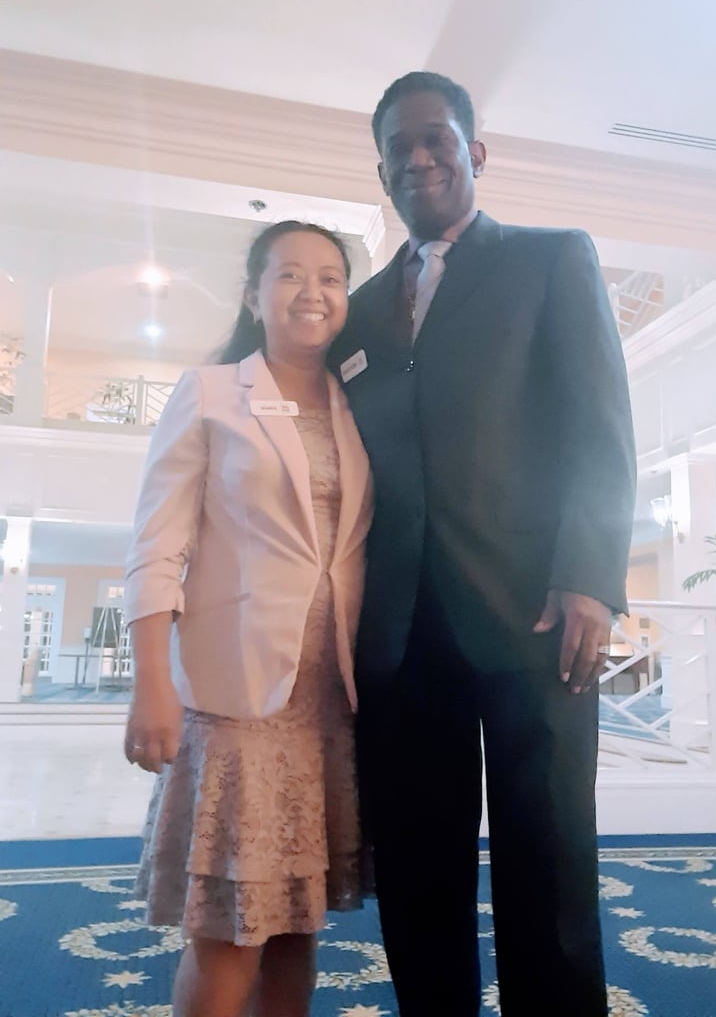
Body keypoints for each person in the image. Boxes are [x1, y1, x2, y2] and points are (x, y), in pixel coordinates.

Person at [327, 72, 637, 1016]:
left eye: (438, 139)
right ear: (381, 171)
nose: (419, 158)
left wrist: (590, 579)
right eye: (399, 147)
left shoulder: (551, 259)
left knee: (549, 854)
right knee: (417, 863)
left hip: (536, 614)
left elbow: (598, 429)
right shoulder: (360, 309)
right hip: (400, 633)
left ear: (476, 153)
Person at [123, 220, 373, 1017]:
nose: (312, 292)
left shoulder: (359, 404)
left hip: (330, 705)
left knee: (297, 929)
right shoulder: (211, 391)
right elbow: (157, 547)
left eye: (330, 277)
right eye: (290, 274)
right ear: (253, 295)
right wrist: (152, 684)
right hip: (237, 703)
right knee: (228, 935)